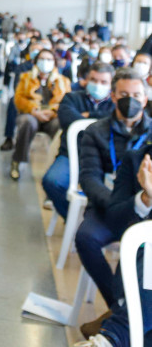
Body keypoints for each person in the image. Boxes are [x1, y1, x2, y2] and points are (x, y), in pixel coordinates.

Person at [74, 67, 150, 334]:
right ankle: (120, 309)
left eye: (137, 94)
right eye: (124, 94)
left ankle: (122, 319)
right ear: (114, 96)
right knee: (86, 237)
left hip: (146, 210)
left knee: (145, 252)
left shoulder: (150, 135)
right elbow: (90, 179)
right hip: (110, 206)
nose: (131, 99)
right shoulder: (96, 131)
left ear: (146, 97)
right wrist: (120, 204)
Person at [76, 139, 152, 347]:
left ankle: (112, 333)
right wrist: (146, 198)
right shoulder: (135, 160)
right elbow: (115, 220)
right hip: (141, 271)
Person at [41, 62, 116, 219]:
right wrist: (101, 122)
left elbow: (115, 122)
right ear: (86, 80)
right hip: (71, 154)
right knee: (52, 181)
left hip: (105, 159)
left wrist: (88, 117)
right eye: (94, 80)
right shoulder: (72, 98)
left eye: (103, 82)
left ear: (111, 85)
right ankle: (73, 218)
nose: (98, 85)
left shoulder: (115, 105)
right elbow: (68, 120)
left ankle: (96, 223)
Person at [11, 48, 71, 179]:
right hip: (31, 114)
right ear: (36, 62)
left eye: (49, 59)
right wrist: (34, 111)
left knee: (60, 126)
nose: (45, 62)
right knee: (27, 123)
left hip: (52, 116)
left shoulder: (63, 81)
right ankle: (17, 160)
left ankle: (57, 164)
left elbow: (66, 101)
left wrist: (52, 111)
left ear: (54, 63)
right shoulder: (26, 78)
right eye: (42, 59)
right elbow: (18, 98)